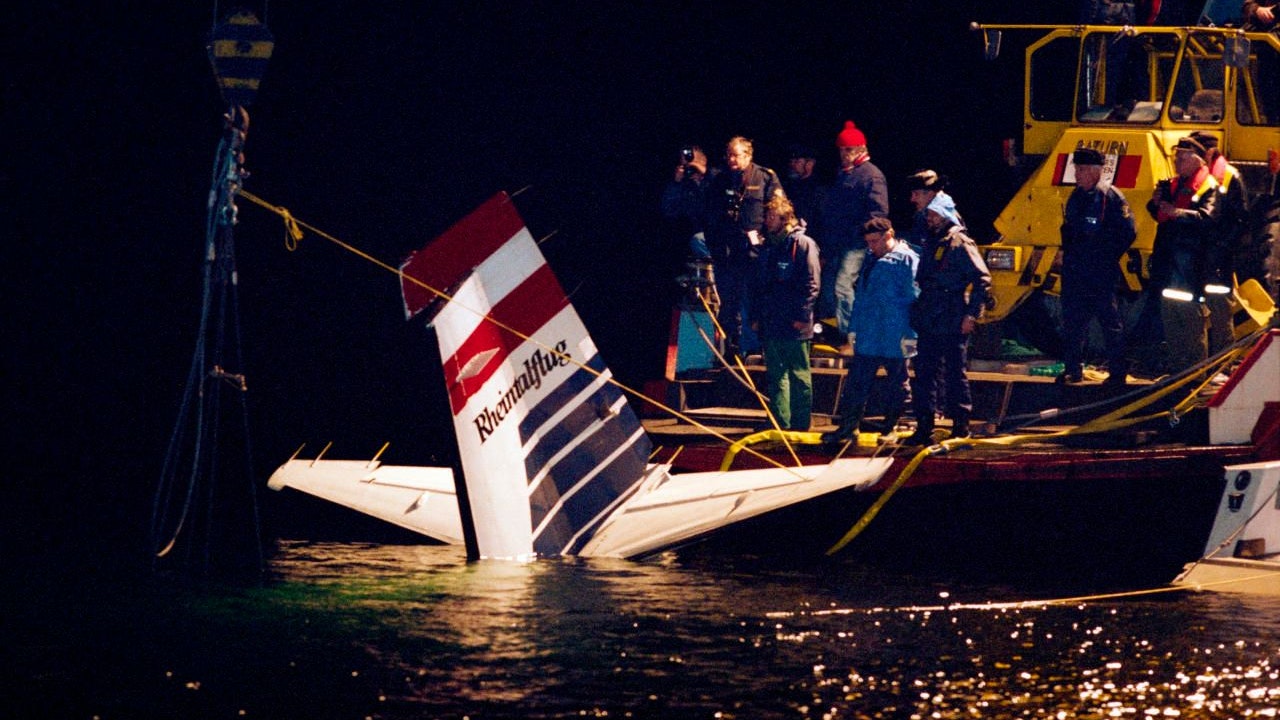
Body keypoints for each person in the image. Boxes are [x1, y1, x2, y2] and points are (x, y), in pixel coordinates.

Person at [821, 218, 919, 444]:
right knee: (856, 382)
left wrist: (911, 335)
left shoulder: (907, 260)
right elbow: (861, 298)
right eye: (868, 242)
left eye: (875, 241)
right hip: (870, 333)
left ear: (889, 235)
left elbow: (915, 298)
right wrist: (853, 329)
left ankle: (890, 427)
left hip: (896, 333)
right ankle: (848, 427)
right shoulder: (870, 258)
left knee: (897, 384)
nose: (871, 246)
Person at [904, 193, 991, 446]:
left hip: (952, 313)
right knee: (924, 373)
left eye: (932, 214)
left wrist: (972, 314)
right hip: (930, 314)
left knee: (955, 372)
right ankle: (924, 426)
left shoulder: (960, 243)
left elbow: (982, 280)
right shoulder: (932, 241)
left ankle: (961, 426)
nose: (929, 219)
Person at [1131, 135, 1221, 375]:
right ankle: (1177, 370)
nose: (1177, 161)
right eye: (1176, 156)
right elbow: (1161, 217)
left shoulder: (1209, 187)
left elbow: (1208, 219)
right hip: (1169, 265)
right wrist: (1156, 204)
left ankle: (1195, 374)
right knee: (1171, 322)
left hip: (1191, 267)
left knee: (1192, 325)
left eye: (1182, 157)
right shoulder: (1173, 185)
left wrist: (1176, 212)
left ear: (1197, 160)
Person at [1057, 147, 1138, 387]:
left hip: (1099, 272)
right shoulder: (1076, 196)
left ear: (1095, 171)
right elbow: (1071, 231)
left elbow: (1128, 231)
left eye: (1081, 169)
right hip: (1075, 271)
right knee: (1072, 322)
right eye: (1076, 169)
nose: (1077, 174)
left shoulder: (1110, 197)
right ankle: (1073, 369)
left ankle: (1117, 372)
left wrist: (1105, 256)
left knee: (1109, 322)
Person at [704, 136, 785, 358]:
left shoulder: (765, 176)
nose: (731, 159)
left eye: (736, 155)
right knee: (728, 302)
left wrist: (767, 239)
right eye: (728, 154)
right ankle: (729, 349)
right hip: (727, 253)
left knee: (754, 300)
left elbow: (779, 208)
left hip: (754, 253)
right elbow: (709, 214)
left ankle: (753, 348)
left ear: (748, 155)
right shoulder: (719, 179)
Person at [753, 195, 821, 431]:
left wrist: (802, 317)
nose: (767, 221)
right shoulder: (768, 247)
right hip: (772, 321)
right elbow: (760, 286)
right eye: (767, 216)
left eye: (772, 217)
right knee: (776, 375)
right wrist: (757, 318)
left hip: (794, 323)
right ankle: (780, 421)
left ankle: (801, 424)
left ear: (785, 218)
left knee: (799, 374)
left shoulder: (802, 244)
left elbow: (812, 283)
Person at [822, 121, 889, 343]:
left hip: (858, 243)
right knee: (834, 288)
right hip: (840, 242)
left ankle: (853, 337)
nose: (844, 155)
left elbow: (879, 213)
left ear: (861, 149)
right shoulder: (844, 174)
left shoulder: (871, 175)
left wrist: (868, 238)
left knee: (843, 286)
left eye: (848, 150)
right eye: (841, 150)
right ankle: (847, 333)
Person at [661, 145, 713, 260]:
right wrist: (676, 183)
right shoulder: (685, 187)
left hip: (720, 233)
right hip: (699, 239)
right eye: (685, 164)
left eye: (692, 163)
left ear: (703, 161)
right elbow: (668, 210)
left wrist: (704, 173)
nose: (690, 167)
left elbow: (721, 186)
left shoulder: (716, 177)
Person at [901, 169, 963, 250]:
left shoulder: (946, 217)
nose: (912, 199)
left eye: (916, 194)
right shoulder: (921, 215)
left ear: (930, 193)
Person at [782, 143, 826, 234]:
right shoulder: (788, 186)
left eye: (797, 161)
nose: (792, 165)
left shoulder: (818, 190)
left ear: (810, 164)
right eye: (791, 161)